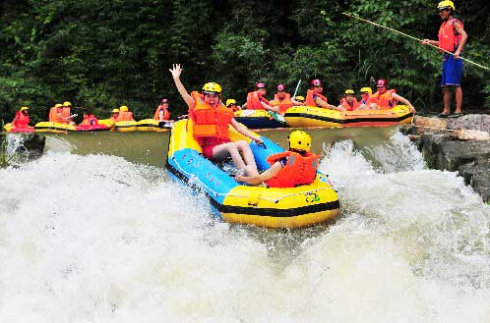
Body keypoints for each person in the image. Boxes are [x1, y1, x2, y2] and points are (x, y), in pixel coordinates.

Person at [169, 63, 263, 176]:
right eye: (208, 95)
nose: (211, 98)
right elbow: (184, 93)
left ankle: (254, 172)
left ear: (219, 96)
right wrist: (176, 79)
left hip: (224, 145)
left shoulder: (224, 111)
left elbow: (238, 127)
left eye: (214, 96)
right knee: (231, 146)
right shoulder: (196, 105)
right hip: (210, 149)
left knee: (243, 143)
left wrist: (254, 138)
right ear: (204, 95)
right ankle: (245, 173)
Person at [421, 0, 467, 117]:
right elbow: (442, 43)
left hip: (454, 56)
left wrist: (458, 50)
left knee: (455, 84)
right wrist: (429, 41)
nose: (440, 13)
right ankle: (446, 110)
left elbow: (464, 35)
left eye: (442, 10)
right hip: (446, 57)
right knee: (446, 86)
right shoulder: (443, 25)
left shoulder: (454, 22)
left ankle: (458, 110)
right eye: (439, 11)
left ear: (449, 10)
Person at [236, 130, 319, 188]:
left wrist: (242, 179)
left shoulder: (284, 162)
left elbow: (258, 179)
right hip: (301, 190)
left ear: (291, 144)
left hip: (279, 195)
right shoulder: (314, 161)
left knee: (249, 169)